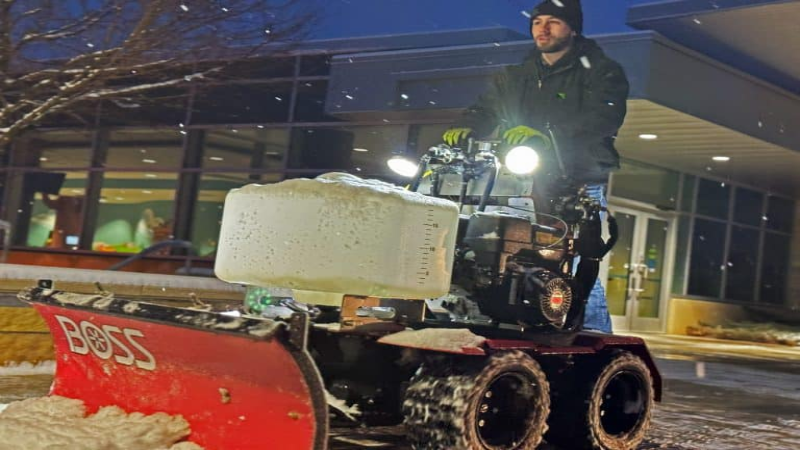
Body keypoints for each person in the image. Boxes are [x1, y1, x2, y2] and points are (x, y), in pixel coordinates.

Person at [443, 0, 628, 333]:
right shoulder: (516, 76)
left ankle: (594, 336)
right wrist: (468, 126)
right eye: (537, 22)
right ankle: (505, 317)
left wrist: (547, 135)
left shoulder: (601, 71)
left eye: (553, 22)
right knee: (508, 248)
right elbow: (485, 108)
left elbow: (603, 117)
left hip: (577, 177)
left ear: (572, 28)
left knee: (576, 257)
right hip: (519, 178)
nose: (542, 29)